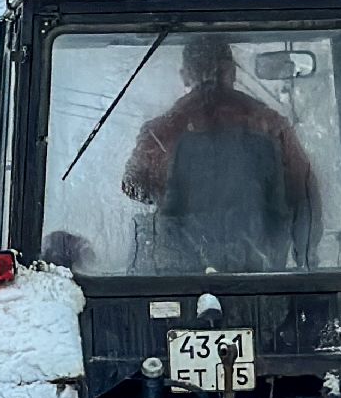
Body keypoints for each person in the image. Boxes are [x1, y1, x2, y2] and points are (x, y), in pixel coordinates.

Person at [121, 34, 318, 271]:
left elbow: (133, 185)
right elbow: (304, 193)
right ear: (232, 72)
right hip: (261, 275)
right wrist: (307, 260)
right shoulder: (270, 124)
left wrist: (169, 194)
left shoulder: (161, 131)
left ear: (186, 75)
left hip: (181, 278)